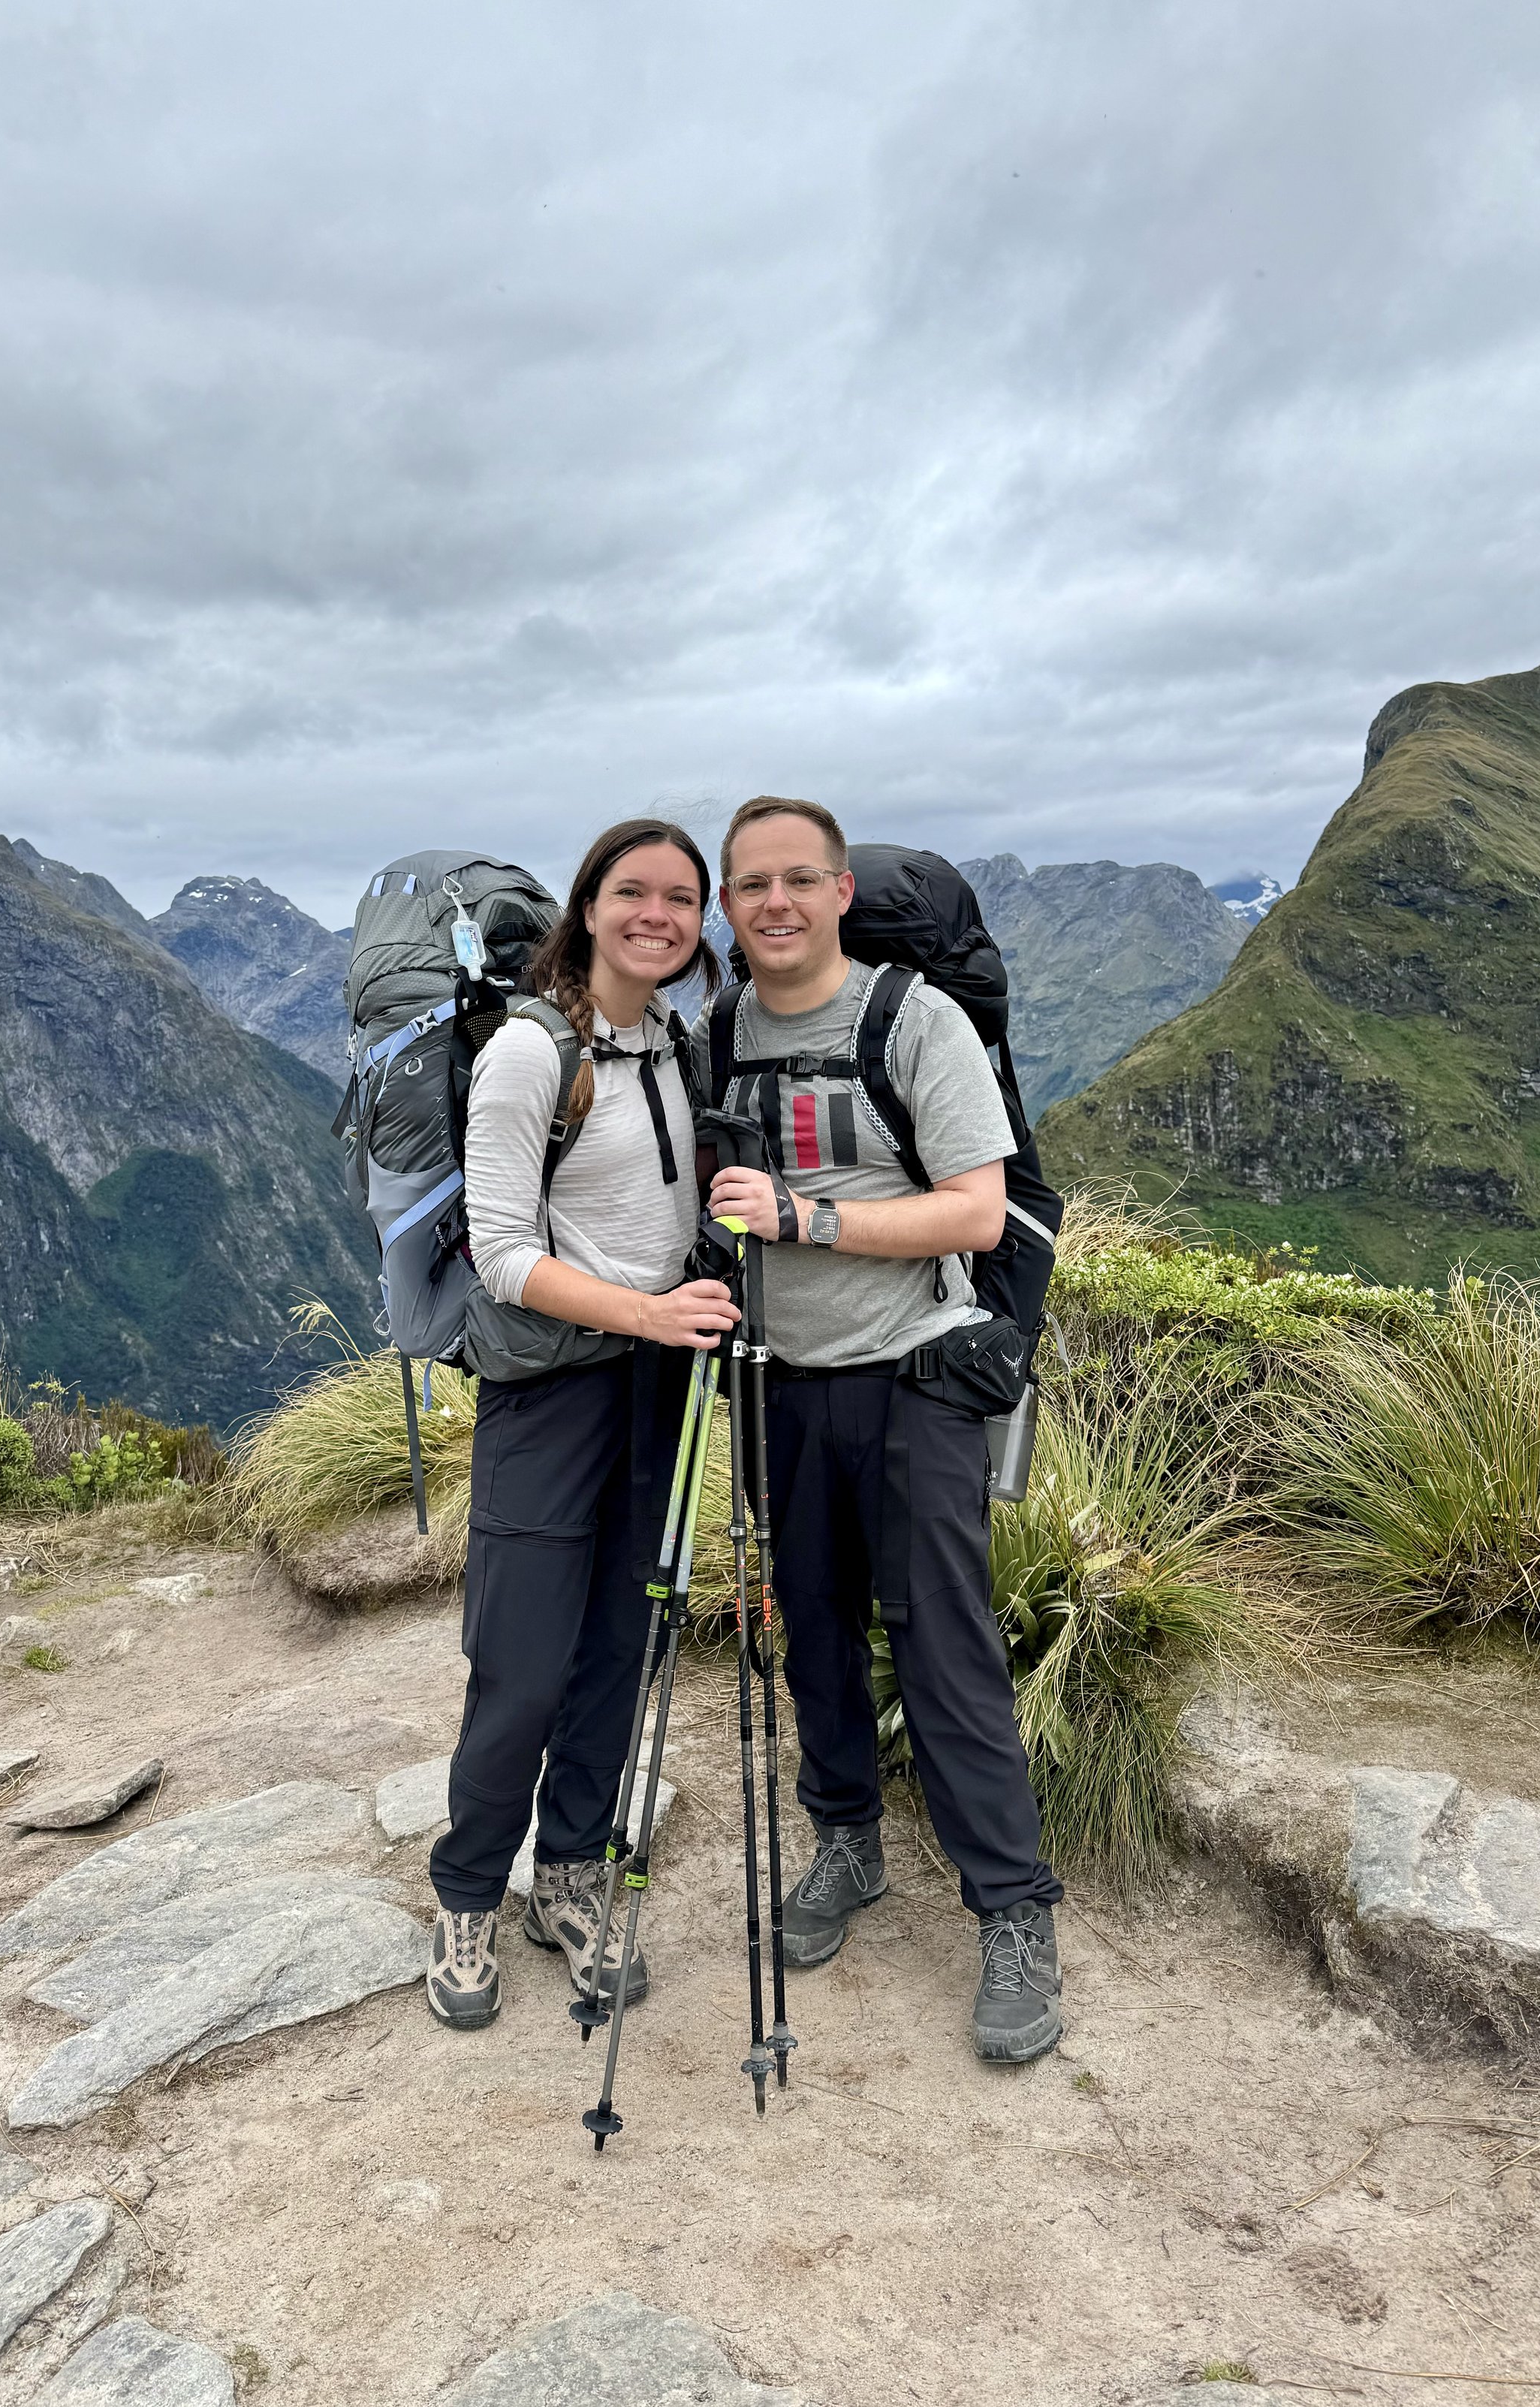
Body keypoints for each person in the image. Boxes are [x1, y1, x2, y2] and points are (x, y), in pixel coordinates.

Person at [698, 795, 1065, 2064]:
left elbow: (975, 1212)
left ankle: (1013, 1909)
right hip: (780, 1382)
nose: (778, 902)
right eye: (753, 884)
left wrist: (807, 1219)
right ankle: (847, 1842)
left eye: (801, 879)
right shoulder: (717, 1035)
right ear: (728, 904)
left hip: (913, 1373)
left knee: (943, 1646)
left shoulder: (914, 1021)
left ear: (841, 891)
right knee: (812, 1631)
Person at [425, 818, 735, 2030]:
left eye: (681, 899)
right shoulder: (529, 1052)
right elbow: (503, 1254)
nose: (658, 915)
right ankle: (467, 1891)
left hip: (659, 1385)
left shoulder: (675, 1045)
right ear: (589, 905)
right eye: (634, 892)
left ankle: (568, 1872)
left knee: (622, 1641)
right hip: (551, 1390)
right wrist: (649, 1315)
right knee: (523, 1658)